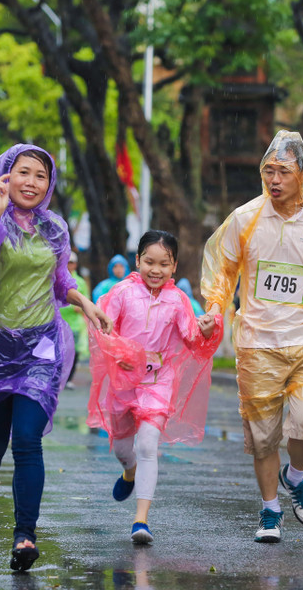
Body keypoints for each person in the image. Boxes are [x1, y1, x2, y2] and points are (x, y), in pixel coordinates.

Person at [0, 143, 111, 571]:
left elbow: (59, 279)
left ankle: (25, 535)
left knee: (28, 441)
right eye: (24, 173)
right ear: (6, 177)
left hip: (40, 349)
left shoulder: (54, 229)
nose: (31, 182)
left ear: (49, 185)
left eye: (41, 176)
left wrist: (83, 302)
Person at [201, 130, 303, 544]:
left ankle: (297, 476)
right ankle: (270, 511)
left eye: (283, 171)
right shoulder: (245, 218)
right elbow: (222, 270)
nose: (274, 179)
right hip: (257, 341)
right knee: (264, 435)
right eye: (268, 170)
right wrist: (215, 307)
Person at [88, 230, 221, 544]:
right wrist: (119, 354)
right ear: (138, 260)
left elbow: (191, 339)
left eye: (164, 263)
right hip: (123, 381)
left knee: (148, 443)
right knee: (123, 447)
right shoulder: (121, 293)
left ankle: (141, 520)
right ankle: (129, 470)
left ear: (174, 266)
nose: (156, 270)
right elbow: (103, 327)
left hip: (158, 382)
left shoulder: (178, 301)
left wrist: (206, 329)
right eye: (149, 261)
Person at [59, 251, 90, 389]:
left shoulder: (81, 282)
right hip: (61, 322)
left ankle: (69, 378)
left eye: (71, 262)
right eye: (67, 262)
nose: (69, 265)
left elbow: (86, 302)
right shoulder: (57, 279)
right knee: (60, 351)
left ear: (76, 264)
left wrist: (81, 308)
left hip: (76, 325)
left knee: (75, 351)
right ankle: (60, 377)